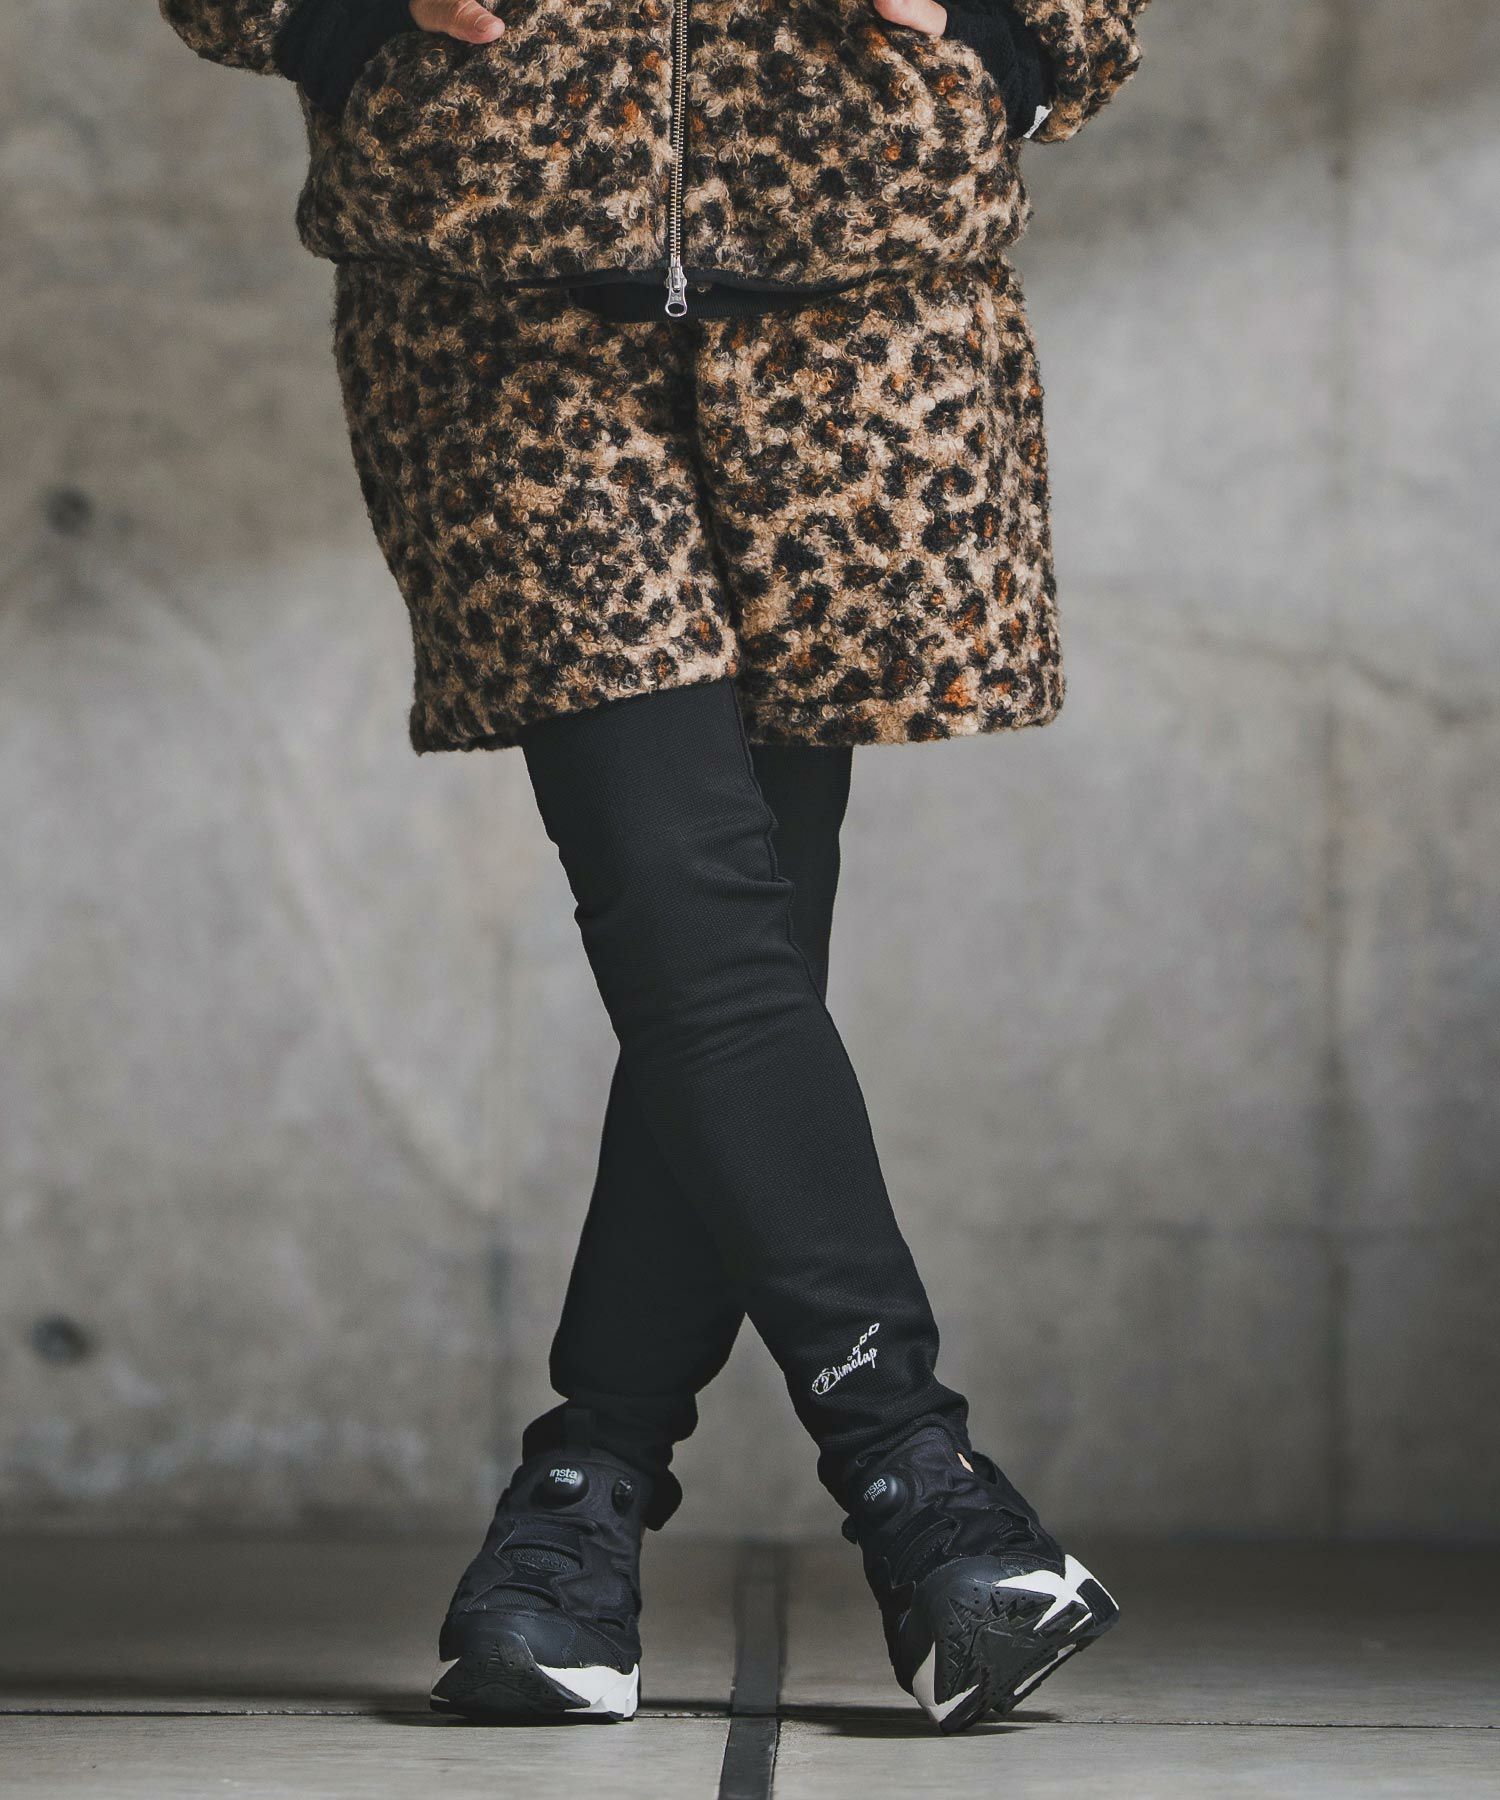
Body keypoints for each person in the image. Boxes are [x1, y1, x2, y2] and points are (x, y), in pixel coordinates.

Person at [158, 0, 1151, 1734]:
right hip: (505, 323)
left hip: (866, 331)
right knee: (687, 905)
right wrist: (344, 21)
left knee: (735, 947)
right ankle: (918, 1479)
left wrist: (999, 33)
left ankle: (581, 1498)